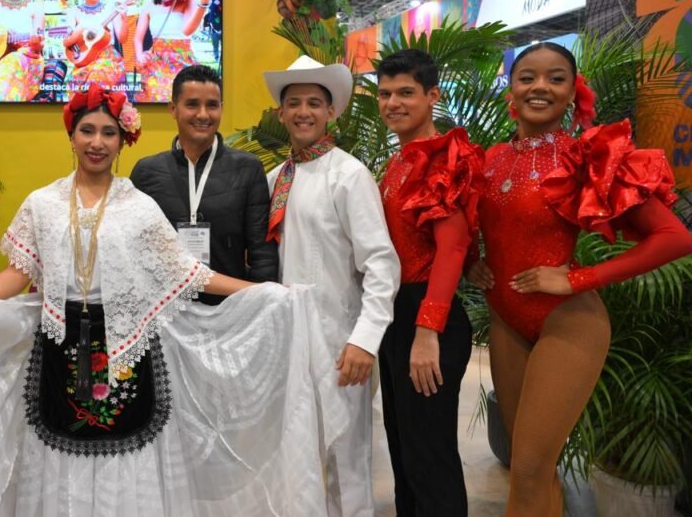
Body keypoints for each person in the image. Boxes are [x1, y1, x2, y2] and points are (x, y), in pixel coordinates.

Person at [0, 84, 350, 516]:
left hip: (127, 348)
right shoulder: (42, 204)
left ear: (122, 141)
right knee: (57, 447)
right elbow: (17, 275)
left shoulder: (140, 206)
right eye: (87, 131)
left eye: (109, 133)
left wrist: (264, 292)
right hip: (58, 348)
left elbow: (189, 273)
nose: (97, 142)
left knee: (128, 449)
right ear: (71, 136)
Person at [466, 42, 692, 516]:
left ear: (574, 92)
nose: (540, 87)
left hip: (568, 322)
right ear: (511, 89)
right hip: (506, 319)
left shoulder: (587, 156)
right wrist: (472, 263)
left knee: (528, 471)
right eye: (527, 77)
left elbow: (675, 238)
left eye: (556, 78)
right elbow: (464, 227)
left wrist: (578, 279)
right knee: (531, 468)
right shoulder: (488, 159)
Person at [263, 55, 401, 516]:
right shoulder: (275, 179)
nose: (303, 112)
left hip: (339, 343)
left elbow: (381, 264)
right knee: (295, 457)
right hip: (287, 344)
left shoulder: (349, 175)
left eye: (314, 103)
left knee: (347, 457)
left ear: (331, 112)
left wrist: (365, 340)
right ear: (281, 113)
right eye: (294, 103)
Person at [375, 49, 481, 516]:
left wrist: (426, 330)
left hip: (427, 318)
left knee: (429, 455)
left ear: (432, 95)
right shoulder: (398, 160)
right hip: (396, 314)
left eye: (405, 93)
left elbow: (452, 247)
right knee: (404, 448)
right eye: (385, 94)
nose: (392, 103)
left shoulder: (443, 158)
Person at [130, 64, 277, 305]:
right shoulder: (147, 173)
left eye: (212, 105)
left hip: (228, 309)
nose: (203, 115)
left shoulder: (248, 169)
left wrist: (260, 304)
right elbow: (135, 250)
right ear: (173, 109)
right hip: (165, 311)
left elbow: (262, 253)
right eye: (192, 104)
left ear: (221, 109)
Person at [132, 0, 213, 102]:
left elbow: (187, 31)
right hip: (156, 60)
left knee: (181, 95)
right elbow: (138, 38)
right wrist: (140, 56)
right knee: (156, 94)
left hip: (181, 59)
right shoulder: (149, 5)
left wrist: (204, 1)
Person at [62, 0, 131, 93]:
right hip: (85, 60)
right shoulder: (74, 12)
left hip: (109, 59)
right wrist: (81, 27)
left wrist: (124, 18)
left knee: (96, 78)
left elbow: (122, 39)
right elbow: (66, 42)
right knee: (76, 84)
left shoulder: (111, 9)